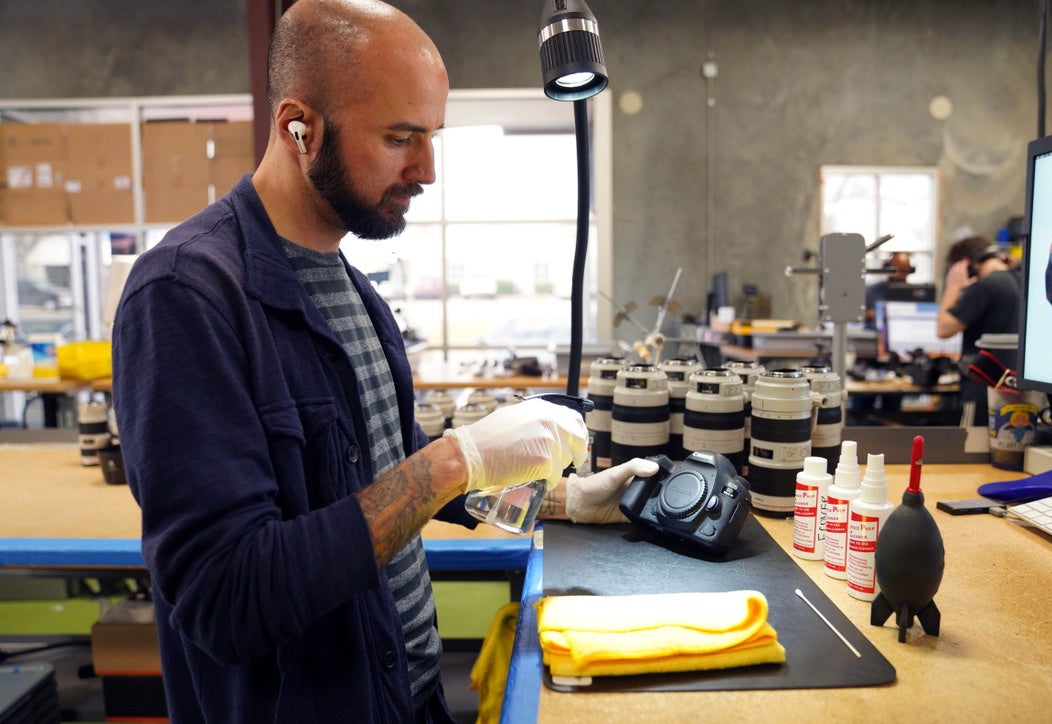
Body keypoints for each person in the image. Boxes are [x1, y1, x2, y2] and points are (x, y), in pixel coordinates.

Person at [110, 2, 657, 721]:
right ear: (297, 127)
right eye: (401, 138)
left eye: (431, 136)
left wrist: (558, 502)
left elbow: (382, 474)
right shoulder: (185, 295)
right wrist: (454, 459)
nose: (427, 169)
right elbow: (225, 598)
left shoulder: (356, 290)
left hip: (407, 694)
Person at [936, 240, 1021, 426]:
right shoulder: (1019, 280)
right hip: (1012, 387)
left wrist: (952, 287)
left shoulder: (985, 286)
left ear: (965, 264)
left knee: (972, 449)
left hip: (981, 388)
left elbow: (943, 329)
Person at [863, 251, 912, 329]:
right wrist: (875, 313)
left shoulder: (913, 292)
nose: (900, 275)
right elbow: (857, 315)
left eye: (904, 271)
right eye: (896, 270)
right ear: (888, 268)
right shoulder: (872, 291)